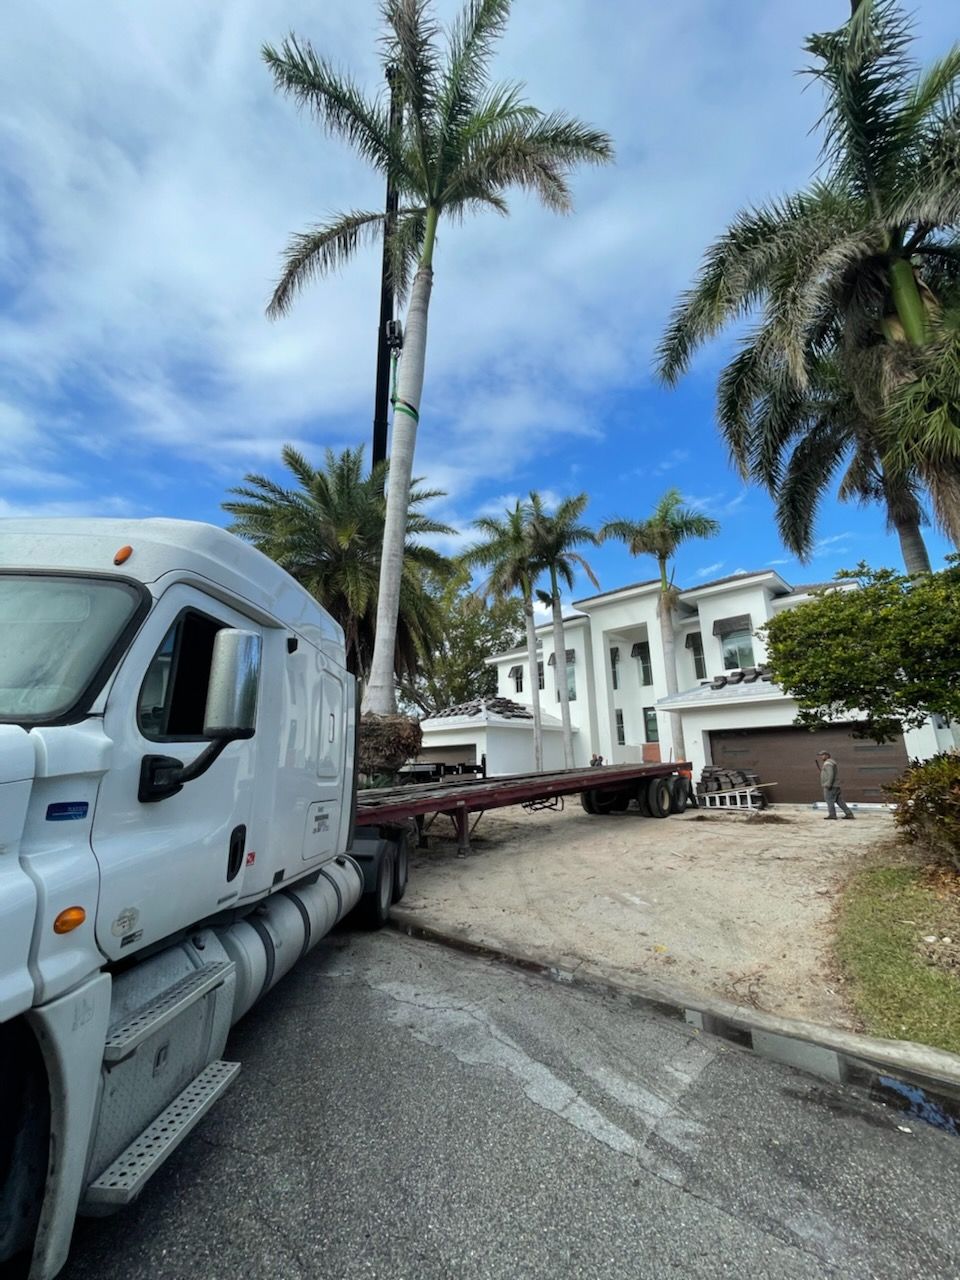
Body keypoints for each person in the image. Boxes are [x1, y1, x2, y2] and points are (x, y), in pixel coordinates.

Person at [816, 750, 854, 819]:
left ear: (827, 755)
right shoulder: (831, 763)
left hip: (831, 786)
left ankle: (832, 815)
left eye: (823, 755)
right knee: (839, 801)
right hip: (836, 785)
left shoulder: (828, 763)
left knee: (829, 800)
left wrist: (828, 784)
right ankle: (849, 814)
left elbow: (831, 774)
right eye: (821, 755)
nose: (821, 757)